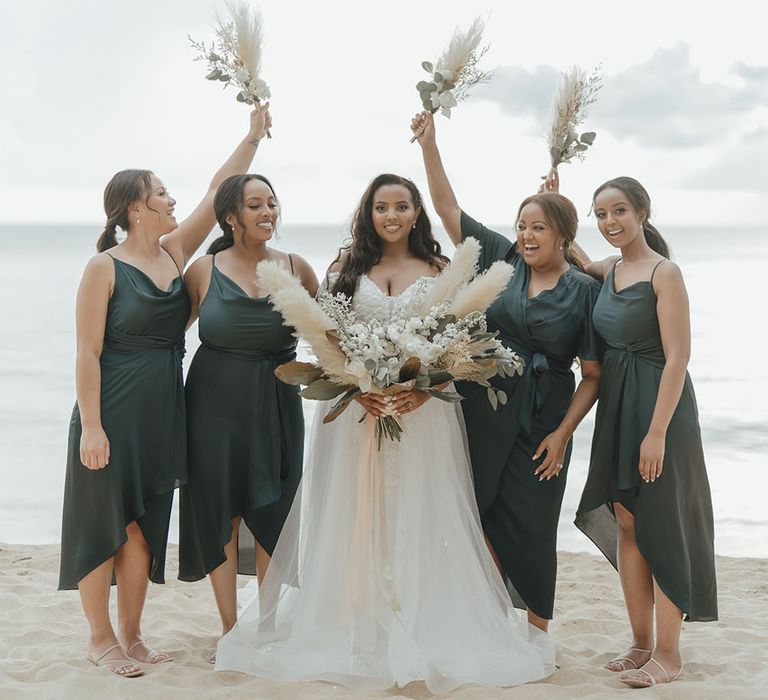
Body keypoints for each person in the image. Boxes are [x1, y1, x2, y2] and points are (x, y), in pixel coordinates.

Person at [214, 173, 555, 692]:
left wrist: (422, 390)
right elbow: (325, 344)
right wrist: (359, 386)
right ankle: (360, 622)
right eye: (381, 207)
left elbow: (457, 346)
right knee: (359, 513)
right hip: (358, 415)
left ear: (417, 212)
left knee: (418, 511)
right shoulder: (344, 270)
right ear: (368, 214)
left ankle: (419, 616)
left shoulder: (441, 270)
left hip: (425, 416)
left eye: (401, 206)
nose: (391, 216)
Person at [58, 105, 271, 678]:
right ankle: (99, 638)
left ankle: (131, 635)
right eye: (161, 192)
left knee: (147, 533)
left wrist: (251, 138)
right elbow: (87, 353)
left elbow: (214, 191)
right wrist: (93, 426)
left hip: (164, 412)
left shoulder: (176, 254)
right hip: (112, 412)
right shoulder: (103, 267)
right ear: (135, 207)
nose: (172, 199)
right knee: (104, 525)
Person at [411, 110, 602, 631]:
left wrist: (563, 434)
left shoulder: (584, 290)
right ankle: (490, 626)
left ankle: (538, 634)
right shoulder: (503, 258)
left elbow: (592, 374)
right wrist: (430, 144)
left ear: (563, 236)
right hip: (484, 406)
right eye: (522, 225)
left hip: (545, 414)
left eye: (539, 227)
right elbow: (448, 212)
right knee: (482, 516)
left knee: (535, 524)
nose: (526, 235)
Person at [574, 176, 717, 688]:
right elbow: (575, 258)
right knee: (629, 522)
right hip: (617, 405)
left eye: (618, 212)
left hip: (661, 407)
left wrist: (656, 433)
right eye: (600, 214)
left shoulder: (664, 271)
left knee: (662, 525)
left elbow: (679, 356)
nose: (609, 223)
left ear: (641, 212)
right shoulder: (608, 268)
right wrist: (557, 199)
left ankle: (670, 655)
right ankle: (639, 642)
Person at [178, 173, 318, 656]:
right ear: (231, 217)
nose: (267, 212)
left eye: (272, 204)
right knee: (221, 509)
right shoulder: (203, 270)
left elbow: (329, 336)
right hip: (212, 404)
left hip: (278, 403)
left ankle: (267, 624)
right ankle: (230, 626)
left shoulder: (298, 267)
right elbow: (166, 338)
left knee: (274, 510)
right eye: (255, 205)